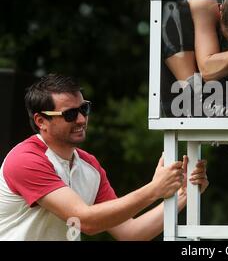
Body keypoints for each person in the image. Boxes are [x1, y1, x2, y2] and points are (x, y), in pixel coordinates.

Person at [0, 74, 209, 240]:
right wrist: (154, 190)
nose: (82, 119)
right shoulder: (26, 160)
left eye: (84, 108)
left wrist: (184, 194)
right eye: (70, 114)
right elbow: (83, 221)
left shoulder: (89, 165)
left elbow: (131, 233)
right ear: (41, 121)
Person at [160, 0, 228, 117]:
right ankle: (195, 100)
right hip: (188, 97)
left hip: (224, 93)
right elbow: (207, 70)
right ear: (220, 10)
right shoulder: (204, 6)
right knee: (173, 9)